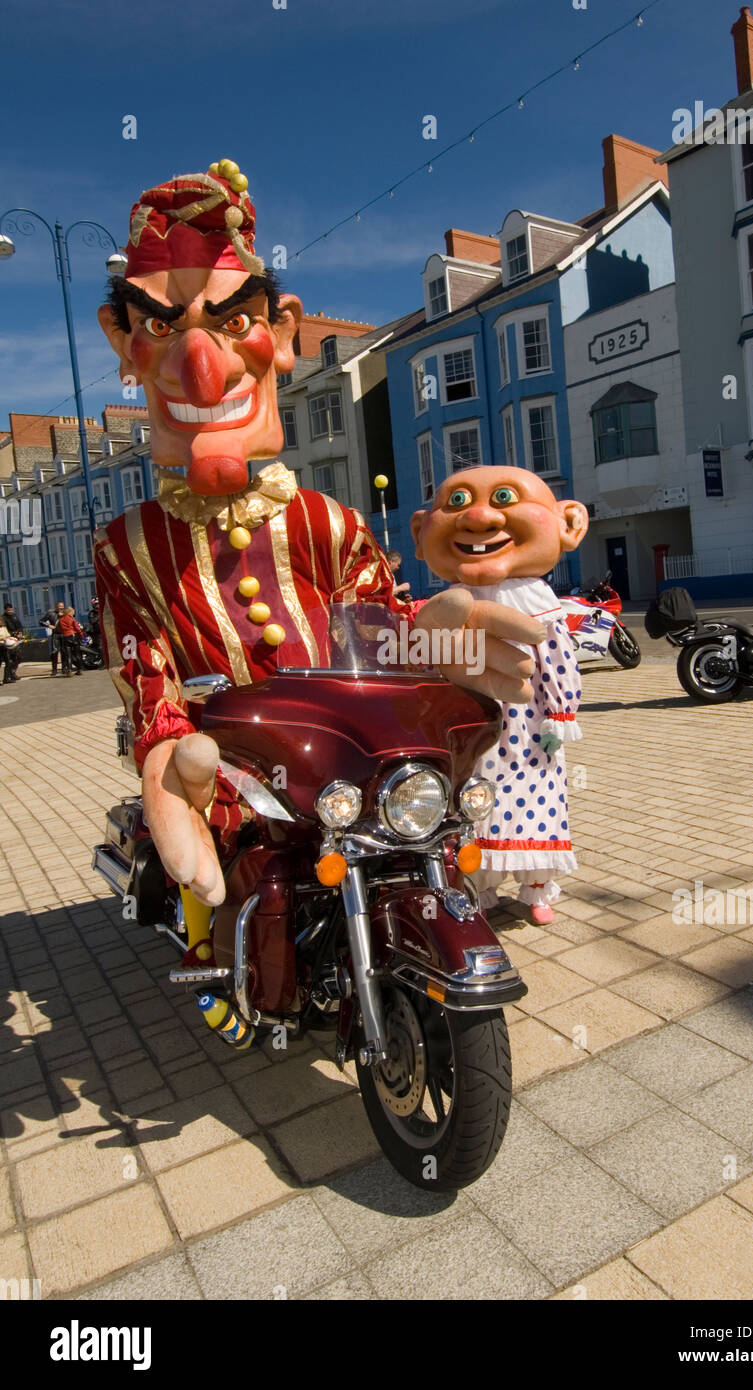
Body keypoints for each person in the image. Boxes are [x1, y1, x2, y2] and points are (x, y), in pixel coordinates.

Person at [94, 160, 545, 963]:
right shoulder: (128, 546)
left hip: (333, 746)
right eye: (161, 328)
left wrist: (430, 636)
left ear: (283, 330)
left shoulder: (324, 521)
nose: (199, 362)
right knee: (221, 886)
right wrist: (167, 769)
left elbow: (373, 623)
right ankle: (218, 957)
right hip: (227, 765)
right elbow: (147, 676)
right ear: (123, 343)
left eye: (233, 323)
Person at [412, 466, 588, 925]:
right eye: (456, 503)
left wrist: (560, 715)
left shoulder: (536, 598)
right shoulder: (449, 600)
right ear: (419, 532)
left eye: (505, 498)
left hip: (528, 729)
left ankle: (536, 888)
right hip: (470, 725)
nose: (479, 518)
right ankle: (479, 886)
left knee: (536, 801)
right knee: (475, 803)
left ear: (569, 525)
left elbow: (556, 660)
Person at [40, 600, 67, 676]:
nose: (61, 609)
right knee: (54, 652)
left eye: (62, 607)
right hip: (55, 634)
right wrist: (48, 626)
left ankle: (64, 668)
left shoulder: (65, 613)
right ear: (56, 607)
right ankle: (54, 670)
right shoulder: (51, 614)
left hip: (64, 634)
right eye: (59, 607)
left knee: (64, 651)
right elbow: (41, 621)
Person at [56, 607, 84, 676]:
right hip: (73, 636)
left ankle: (69, 671)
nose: (73, 613)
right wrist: (82, 635)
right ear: (69, 612)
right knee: (77, 654)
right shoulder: (72, 619)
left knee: (68, 655)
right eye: (73, 612)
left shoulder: (61, 620)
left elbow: (59, 629)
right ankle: (79, 669)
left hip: (66, 637)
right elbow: (77, 628)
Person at [1, 603, 24, 683]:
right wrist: (12, 634)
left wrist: (20, 632)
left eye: (11, 609)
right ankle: (9, 675)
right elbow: (6, 630)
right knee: (9, 659)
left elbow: (20, 625)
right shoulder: (3, 618)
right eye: (8, 610)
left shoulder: (14, 616)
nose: (10, 611)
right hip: (9, 641)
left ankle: (13, 672)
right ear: (5, 610)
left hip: (17, 639)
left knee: (19, 657)